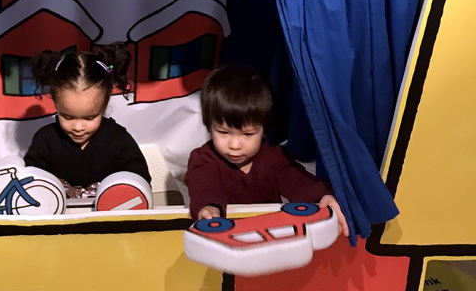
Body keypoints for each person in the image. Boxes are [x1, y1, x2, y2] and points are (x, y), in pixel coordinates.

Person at [186, 63, 349, 236]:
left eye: (247, 134)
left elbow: (298, 182)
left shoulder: (274, 157)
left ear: (264, 130)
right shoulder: (203, 158)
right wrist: (208, 207)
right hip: (224, 239)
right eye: (223, 132)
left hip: (269, 237)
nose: (234, 145)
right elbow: (203, 185)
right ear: (209, 126)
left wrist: (322, 196)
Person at [24, 44, 150, 196]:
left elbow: (140, 183)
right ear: (55, 103)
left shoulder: (118, 139)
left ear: (104, 105)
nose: (78, 127)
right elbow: (29, 184)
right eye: (67, 117)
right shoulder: (45, 140)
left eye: (89, 117)